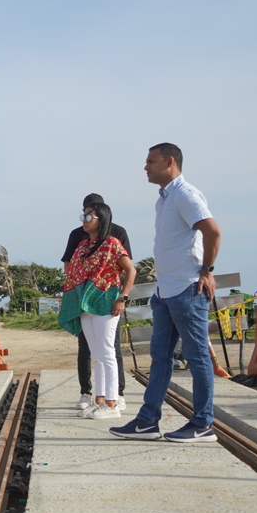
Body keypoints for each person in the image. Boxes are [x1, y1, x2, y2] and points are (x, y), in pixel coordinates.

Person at [111, 142, 221, 443]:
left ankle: (202, 423)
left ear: (169, 161)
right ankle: (147, 421)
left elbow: (213, 231)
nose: (145, 167)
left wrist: (207, 272)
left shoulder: (185, 194)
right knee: (160, 357)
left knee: (197, 357)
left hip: (187, 288)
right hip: (165, 291)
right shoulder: (163, 199)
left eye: (151, 161)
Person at [59, 201, 136, 419]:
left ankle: (112, 403)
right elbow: (72, 273)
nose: (83, 221)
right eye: (82, 216)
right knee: (96, 353)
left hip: (106, 303)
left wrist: (123, 297)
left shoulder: (112, 243)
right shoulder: (82, 246)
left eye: (88, 217)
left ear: (101, 219)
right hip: (86, 305)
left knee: (106, 351)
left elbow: (131, 271)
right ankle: (99, 400)